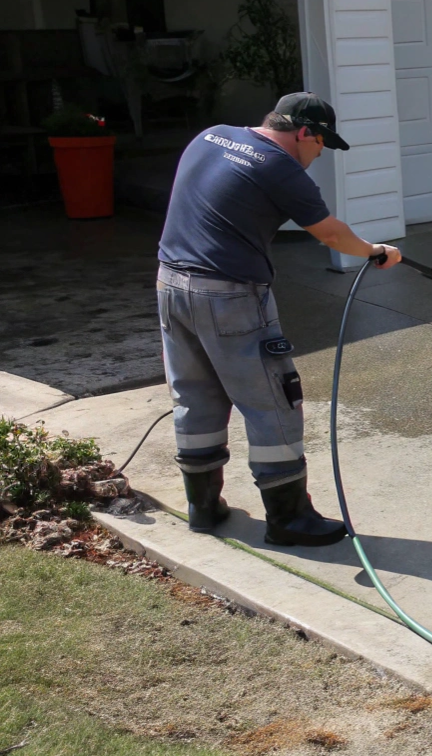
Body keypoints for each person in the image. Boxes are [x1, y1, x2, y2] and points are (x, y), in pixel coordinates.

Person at [156, 93, 401, 546]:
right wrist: (375, 251)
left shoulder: (211, 136)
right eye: (321, 141)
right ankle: (289, 519)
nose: (320, 152)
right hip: (230, 294)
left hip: (171, 284)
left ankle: (203, 507)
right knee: (273, 399)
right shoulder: (278, 166)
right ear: (304, 131)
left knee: (195, 392)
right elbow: (329, 232)